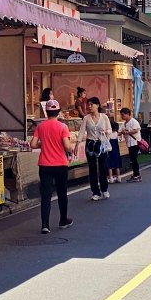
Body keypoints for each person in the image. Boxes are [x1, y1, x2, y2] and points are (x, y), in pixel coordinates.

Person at [31, 99, 76, 234]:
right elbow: (67, 146)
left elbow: (33, 144)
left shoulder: (40, 126)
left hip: (45, 164)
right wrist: (71, 150)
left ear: (47, 111)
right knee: (62, 193)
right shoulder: (63, 127)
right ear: (58, 112)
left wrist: (43, 145)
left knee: (46, 195)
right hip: (60, 164)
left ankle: (45, 224)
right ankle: (63, 220)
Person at [82, 97, 114, 200]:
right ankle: (95, 192)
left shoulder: (104, 117)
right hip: (90, 143)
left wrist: (106, 132)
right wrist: (78, 143)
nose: (89, 107)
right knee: (92, 168)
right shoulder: (86, 118)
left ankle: (104, 189)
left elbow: (110, 130)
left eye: (91, 104)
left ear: (97, 105)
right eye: (88, 105)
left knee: (103, 167)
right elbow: (82, 131)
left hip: (101, 143)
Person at [117, 106, 143, 181]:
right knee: (132, 159)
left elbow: (136, 130)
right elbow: (120, 131)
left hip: (135, 143)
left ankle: (137, 175)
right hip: (129, 143)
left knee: (133, 159)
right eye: (121, 115)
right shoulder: (124, 123)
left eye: (123, 115)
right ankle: (136, 175)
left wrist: (127, 132)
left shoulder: (133, 121)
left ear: (128, 114)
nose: (122, 116)